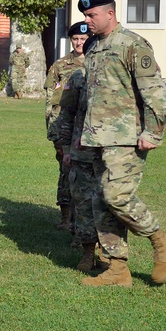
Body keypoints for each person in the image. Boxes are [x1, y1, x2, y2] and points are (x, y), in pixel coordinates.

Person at [76, 0, 166, 287]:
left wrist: (153, 131)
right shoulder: (95, 46)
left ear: (110, 14)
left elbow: (154, 91)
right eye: (85, 15)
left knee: (117, 197)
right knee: (101, 203)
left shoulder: (132, 44)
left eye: (92, 15)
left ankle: (162, 241)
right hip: (97, 137)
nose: (87, 21)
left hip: (127, 137)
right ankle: (117, 269)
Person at [54, 35, 104, 272]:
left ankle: (109, 253)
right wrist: (65, 147)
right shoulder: (77, 77)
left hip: (110, 151)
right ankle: (86, 252)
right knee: (83, 202)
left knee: (109, 202)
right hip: (82, 150)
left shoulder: (116, 77)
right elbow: (67, 114)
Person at [45, 22, 90, 230]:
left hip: (91, 129)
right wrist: (55, 134)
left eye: (83, 38)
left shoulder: (97, 62)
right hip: (65, 128)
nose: (79, 42)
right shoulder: (60, 65)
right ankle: (65, 218)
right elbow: (52, 102)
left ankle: (84, 221)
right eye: (76, 39)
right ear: (71, 40)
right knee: (66, 173)